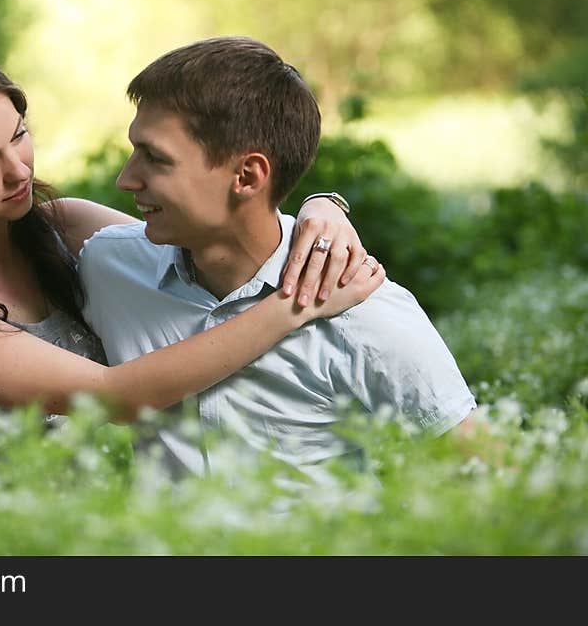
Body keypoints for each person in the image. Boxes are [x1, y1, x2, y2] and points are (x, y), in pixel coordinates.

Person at [0, 46, 383, 435]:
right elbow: (113, 398)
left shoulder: (63, 229)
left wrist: (322, 208)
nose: (18, 171)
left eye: (19, 136)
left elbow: (208, 229)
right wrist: (293, 307)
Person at [79, 36, 476, 479]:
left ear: (247, 176)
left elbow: (481, 469)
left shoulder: (362, 307)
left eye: (154, 158)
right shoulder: (109, 268)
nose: (125, 178)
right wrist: (327, 201)